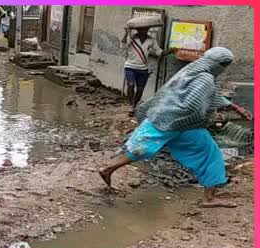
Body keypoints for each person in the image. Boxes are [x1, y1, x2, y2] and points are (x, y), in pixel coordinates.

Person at [99, 47, 253, 208]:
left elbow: (206, 95)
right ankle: (209, 199)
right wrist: (206, 115)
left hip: (161, 116)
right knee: (210, 155)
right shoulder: (206, 78)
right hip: (185, 124)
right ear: (221, 65)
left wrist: (234, 107)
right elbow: (194, 104)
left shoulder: (189, 72)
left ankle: (109, 169)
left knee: (141, 147)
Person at [121, 25, 171, 110]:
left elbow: (159, 52)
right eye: (142, 29)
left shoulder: (151, 40)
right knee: (130, 85)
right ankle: (130, 105)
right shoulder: (132, 39)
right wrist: (126, 33)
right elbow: (123, 46)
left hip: (143, 68)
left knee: (140, 89)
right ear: (138, 30)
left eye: (146, 29)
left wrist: (169, 51)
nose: (144, 31)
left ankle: (134, 106)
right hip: (130, 66)